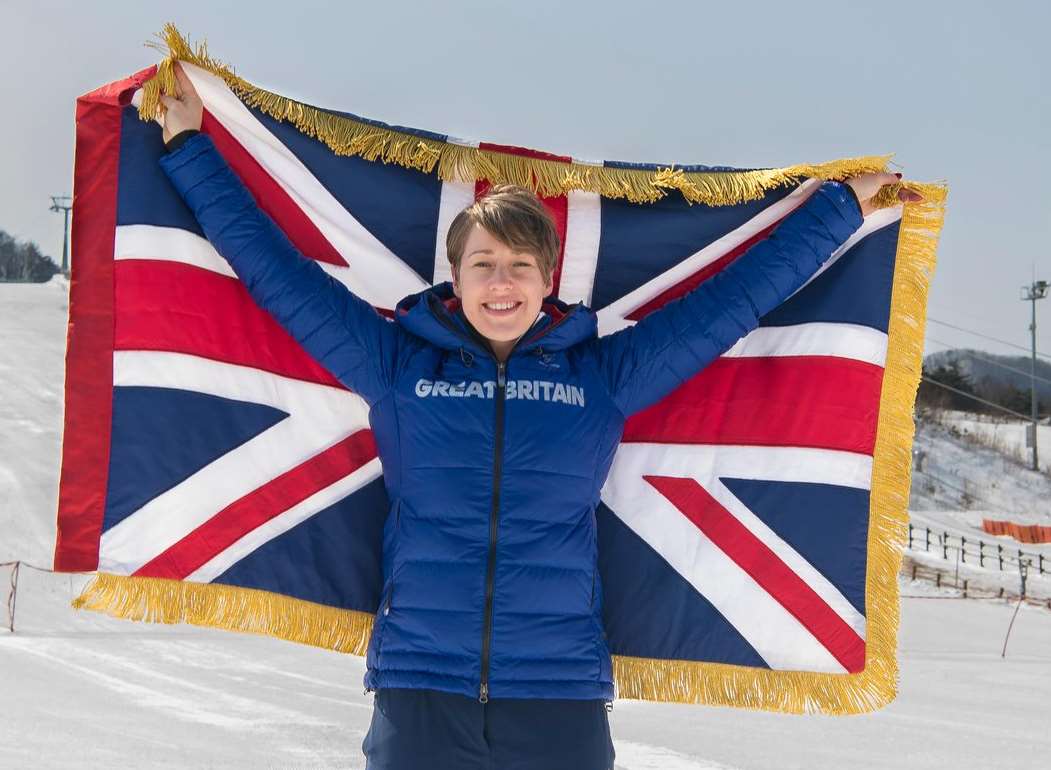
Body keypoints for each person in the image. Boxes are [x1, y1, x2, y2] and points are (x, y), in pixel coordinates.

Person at [156, 62, 921, 770]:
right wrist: (189, 144)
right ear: (454, 277)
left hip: (560, 697)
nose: (501, 283)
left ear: (546, 279)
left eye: (519, 266)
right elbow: (275, 274)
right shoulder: (395, 365)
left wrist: (838, 209)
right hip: (421, 690)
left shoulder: (601, 377)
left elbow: (732, 303)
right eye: (483, 264)